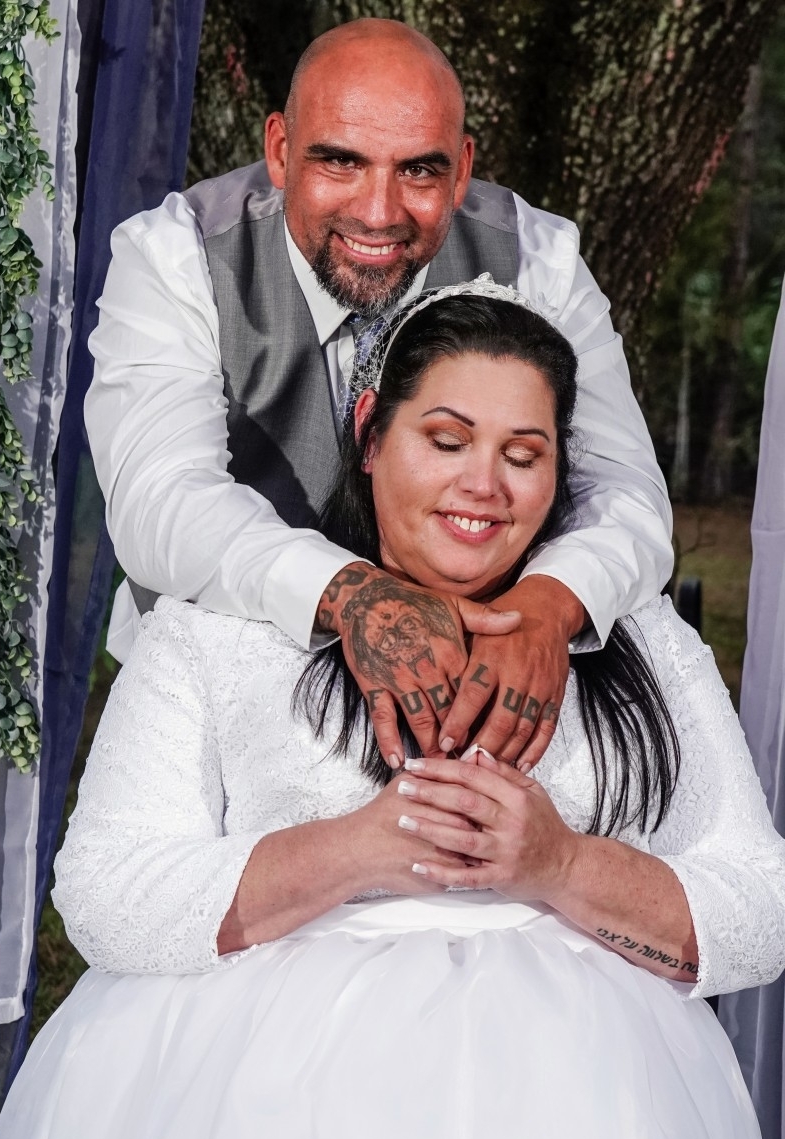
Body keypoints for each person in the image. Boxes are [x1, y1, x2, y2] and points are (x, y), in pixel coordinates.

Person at [0, 281, 782, 1139]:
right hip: (252, 1116)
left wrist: (559, 866)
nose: (484, 486)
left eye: (524, 454)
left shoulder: (637, 641)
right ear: (370, 435)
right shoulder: (225, 626)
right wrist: (365, 847)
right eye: (446, 441)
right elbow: (106, 895)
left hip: (588, 1123)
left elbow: (760, 911)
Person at [84, 17, 674, 773]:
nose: (378, 212)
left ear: (461, 170)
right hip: (221, 701)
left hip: (477, 706)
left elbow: (626, 492)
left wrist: (553, 603)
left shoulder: (541, 259)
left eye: (420, 172)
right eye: (341, 161)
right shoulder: (175, 255)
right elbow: (158, 500)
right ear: (280, 150)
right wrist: (352, 595)